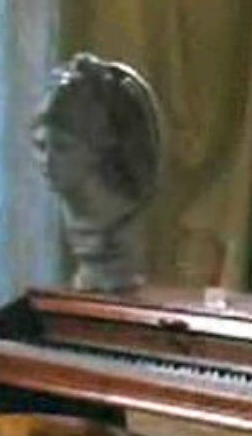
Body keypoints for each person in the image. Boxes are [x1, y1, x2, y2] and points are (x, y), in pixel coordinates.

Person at [30, 52, 162, 293]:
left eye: (63, 147)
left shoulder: (117, 210)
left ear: (98, 146)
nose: (47, 161)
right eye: (40, 146)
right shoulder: (70, 207)